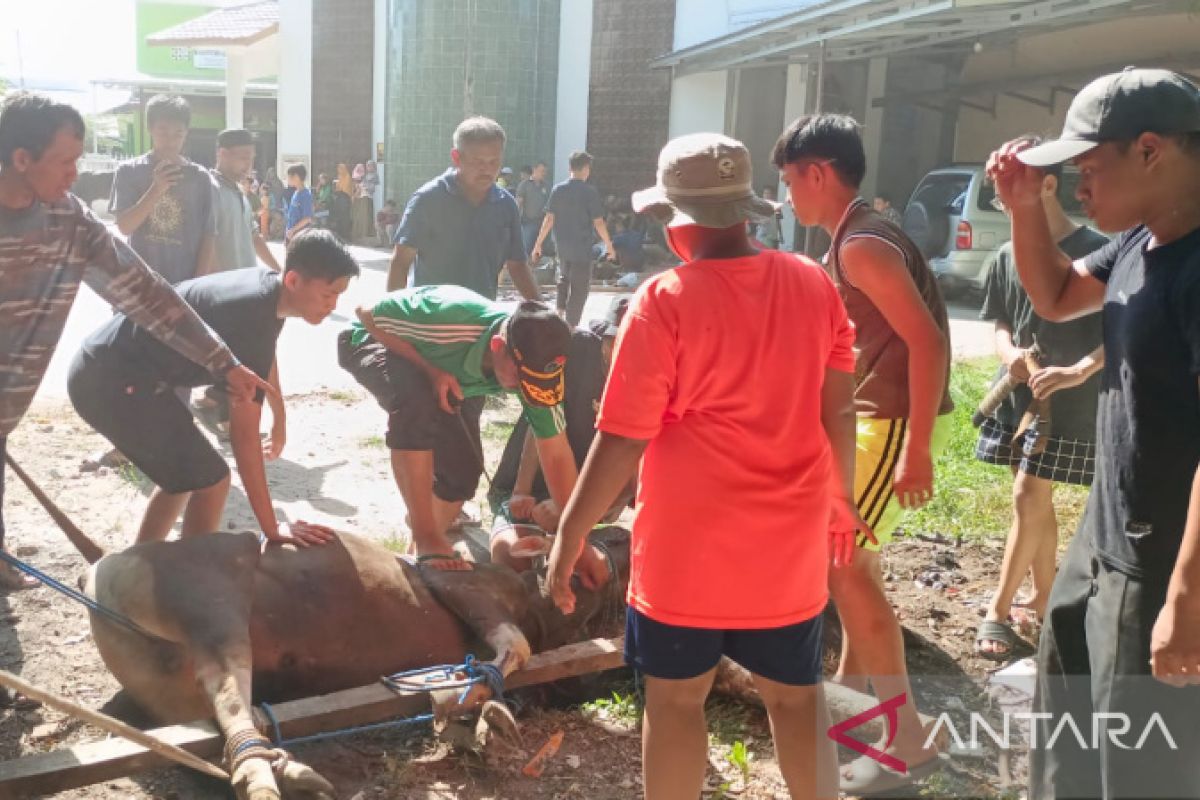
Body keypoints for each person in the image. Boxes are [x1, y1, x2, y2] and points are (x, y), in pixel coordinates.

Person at [546, 133, 861, 800]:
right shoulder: (812, 283)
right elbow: (838, 412)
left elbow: (622, 441)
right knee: (797, 701)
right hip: (788, 543)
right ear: (748, 211)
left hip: (687, 553)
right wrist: (843, 498)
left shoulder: (663, 301)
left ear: (669, 218)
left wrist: (570, 534)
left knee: (675, 702)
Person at [987, 67, 1200, 800]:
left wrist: (1188, 597)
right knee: (1068, 749)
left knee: (1141, 769)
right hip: (1105, 538)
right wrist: (1022, 206)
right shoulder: (1143, 239)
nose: (1078, 190)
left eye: (1088, 169)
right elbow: (1052, 292)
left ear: (1150, 151)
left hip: (1163, 565)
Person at [0, 91, 272, 591]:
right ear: (21, 159)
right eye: (65, 161)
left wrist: (222, 362)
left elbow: (147, 294)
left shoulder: (69, 221)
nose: (75, 174)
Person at [774, 113, 953, 794]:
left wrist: (920, 450)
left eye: (791, 181)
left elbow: (929, 340)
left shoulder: (861, 246)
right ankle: (850, 705)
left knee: (846, 573)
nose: (789, 196)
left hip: (882, 426)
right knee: (854, 572)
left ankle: (906, 741)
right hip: (874, 424)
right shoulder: (861, 232)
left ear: (817, 174)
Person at [68, 229, 358, 547]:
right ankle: (191, 578)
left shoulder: (267, 295)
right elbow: (244, 437)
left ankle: (143, 563)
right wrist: (272, 528)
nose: (333, 305)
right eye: (328, 295)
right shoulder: (253, 314)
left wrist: (279, 415)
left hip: (115, 370)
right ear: (293, 280)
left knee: (187, 474)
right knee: (213, 480)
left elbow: (260, 359)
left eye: (339, 296)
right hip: (110, 380)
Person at [338, 286, 599, 577]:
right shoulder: (450, 317)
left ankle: (418, 558)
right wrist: (430, 369)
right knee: (416, 401)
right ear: (499, 346)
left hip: (453, 377)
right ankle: (428, 539)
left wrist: (578, 541)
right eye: (519, 377)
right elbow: (366, 311)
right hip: (371, 340)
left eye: (533, 381)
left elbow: (555, 453)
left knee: (462, 474)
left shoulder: (536, 370)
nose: (524, 388)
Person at [972, 138, 1108, 660]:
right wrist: (1009, 354)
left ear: (1049, 185)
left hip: (1072, 401)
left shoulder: (1098, 251)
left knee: (1028, 495)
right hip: (1020, 399)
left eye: (1016, 189)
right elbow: (1001, 322)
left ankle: (998, 612)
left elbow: (1121, 328)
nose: (1005, 202)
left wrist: (1079, 370)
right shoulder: (1007, 254)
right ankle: (1047, 595)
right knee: (1034, 501)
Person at [488, 295, 636, 570]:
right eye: (619, 341)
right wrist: (521, 490)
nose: (625, 351)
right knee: (511, 557)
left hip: (590, 501)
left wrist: (579, 511)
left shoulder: (649, 377)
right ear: (604, 334)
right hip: (534, 492)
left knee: (593, 577)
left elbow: (635, 464)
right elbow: (541, 427)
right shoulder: (570, 350)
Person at [385, 116, 540, 301]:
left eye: (494, 162)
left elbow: (517, 266)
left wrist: (545, 314)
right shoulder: (428, 200)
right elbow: (400, 263)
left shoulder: (506, 205)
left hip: (482, 318)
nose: (487, 169)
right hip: (430, 320)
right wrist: (394, 320)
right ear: (456, 158)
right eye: (478, 162)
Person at [109, 94, 215, 283]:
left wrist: (197, 285)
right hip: (140, 282)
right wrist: (156, 189)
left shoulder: (200, 177)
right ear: (150, 128)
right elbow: (125, 227)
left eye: (178, 133)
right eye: (163, 132)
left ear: (186, 133)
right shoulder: (129, 171)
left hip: (185, 284)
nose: (170, 140)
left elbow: (209, 236)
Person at [531, 150, 614, 326]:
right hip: (582, 247)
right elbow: (598, 222)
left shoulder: (558, 190)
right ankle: (571, 326)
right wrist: (609, 245)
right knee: (579, 287)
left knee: (564, 277)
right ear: (586, 169)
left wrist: (538, 244)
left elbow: (549, 219)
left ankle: (560, 311)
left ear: (570, 168)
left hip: (561, 245)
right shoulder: (589, 192)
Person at [210, 128, 281, 272]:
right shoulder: (210, 190)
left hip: (247, 285)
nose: (249, 165)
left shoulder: (240, 192)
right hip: (223, 288)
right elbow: (206, 247)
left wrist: (280, 272)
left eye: (252, 159)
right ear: (222, 154)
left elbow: (255, 238)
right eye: (243, 158)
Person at [516, 161, 549, 258]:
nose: (544, 173)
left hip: (543, 224)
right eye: (542, 171)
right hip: (528, 223)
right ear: (534, 170)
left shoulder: (547, 186)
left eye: (545, 171)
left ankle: (538, 271)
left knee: (542, 251)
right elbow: (518, 204)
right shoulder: (524, 185)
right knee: (526, 249)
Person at [284, 164, 313, 245]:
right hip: (291, 235)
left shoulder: (306, 195)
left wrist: (293, 230)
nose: (287, 179)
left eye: (289, 176)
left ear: (296, 176)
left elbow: (307, 218)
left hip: (300, 237)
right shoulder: (296, 192)